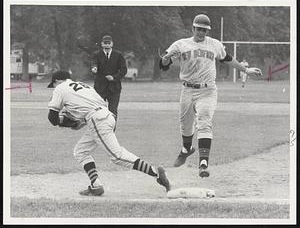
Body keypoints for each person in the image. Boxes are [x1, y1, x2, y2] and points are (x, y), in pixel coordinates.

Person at [159, 14, 262, 178]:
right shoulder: (180, 44)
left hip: (207, 90)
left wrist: (246, 70)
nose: (201, 33)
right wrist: (165, 59)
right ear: (193, 28)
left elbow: (227, 58)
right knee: (186, 125)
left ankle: (203, 163)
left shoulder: (214, 44)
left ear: (207, 31)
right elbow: (163, 65)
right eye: (198, 29)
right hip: (187, 90)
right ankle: (186, 149)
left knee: (204, 121)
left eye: (204, 30)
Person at [47, 70, 170, 196]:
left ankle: (155, 173)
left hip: (97, 120)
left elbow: (52, 118)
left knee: (117, 156)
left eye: (54, 84)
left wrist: (66, 121)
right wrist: (78, 122)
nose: (54, 87)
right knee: (80, 151)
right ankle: (96, 185)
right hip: (105, 116)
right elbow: (95, 107)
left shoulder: (60, 88)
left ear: (58, 80)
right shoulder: (84, 86)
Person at [91, 35, 127, 120]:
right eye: (105, 43)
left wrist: (114, 77)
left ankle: (111, 131)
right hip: (100, 88)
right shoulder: (97, 54)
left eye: (109, 43)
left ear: (112, 44)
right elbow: (94, 63)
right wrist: (94, 68)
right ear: (102, 44)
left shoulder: (118, 55)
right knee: (98, 111)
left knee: (113, 111)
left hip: (114, 88)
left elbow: (123, 70)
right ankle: (100, 130)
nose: (107, 45)